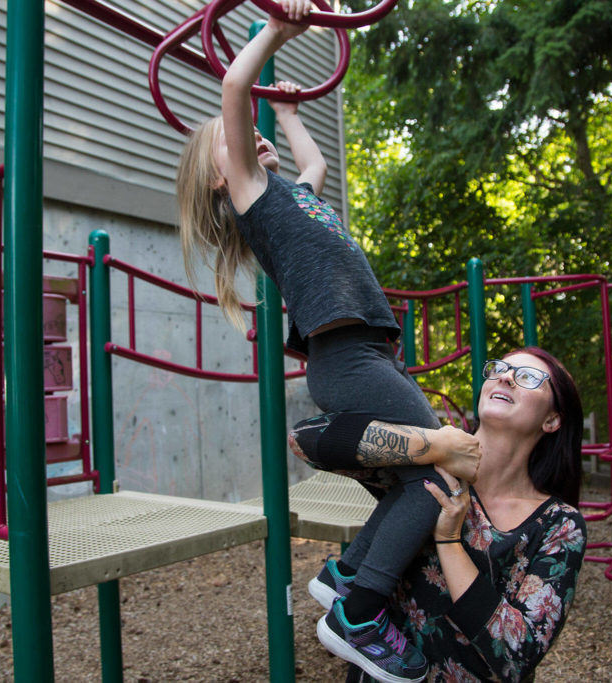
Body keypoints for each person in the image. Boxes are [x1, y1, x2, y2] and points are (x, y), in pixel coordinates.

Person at [175, 2, 479, 681]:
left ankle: (346, 575)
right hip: (345, 357)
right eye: (236, 136)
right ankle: (359, 609)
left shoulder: (296, 195)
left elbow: (312, 160)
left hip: (364, 356)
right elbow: (233, 89)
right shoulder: (256, 201)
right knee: (436, 473)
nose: (249, 132)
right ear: (224, 178)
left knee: (417, 480)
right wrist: (277, 35)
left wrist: (286, 111)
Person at [295, 348, 588, 682]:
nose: (505, 376)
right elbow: (305, 440)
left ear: (551, 420)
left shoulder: (559, 525)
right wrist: (431, 448)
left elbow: (515, 655)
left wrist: (449, 542)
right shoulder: (425, 462)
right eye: (500, 369)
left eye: (528, 377)